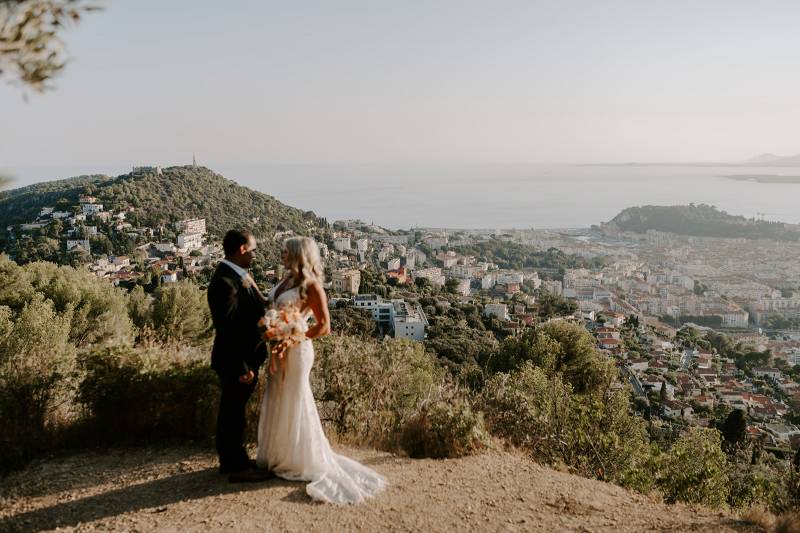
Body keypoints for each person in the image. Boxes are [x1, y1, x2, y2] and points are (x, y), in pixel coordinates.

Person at [256, 237, 387, 504]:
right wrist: (272, 329)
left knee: (296, 399)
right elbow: (270, 305)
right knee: (277, 396)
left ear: (298, 255)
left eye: (285, 252)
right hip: (279, 350)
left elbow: (324, 326)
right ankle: (278, 455)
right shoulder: (284, 281)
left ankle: (299, 459)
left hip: (297, 351)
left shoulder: (312, 286)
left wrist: (293, 335)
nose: (281, 255)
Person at [207, 229, 271, 482]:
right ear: (242, 249)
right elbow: (228, 328)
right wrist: (242, 366)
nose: (255, 255)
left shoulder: (238, 276)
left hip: (243, 359)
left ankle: (231, 461)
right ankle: (237, 467)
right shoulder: (225, 282)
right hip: (236, 362)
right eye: (253, 250)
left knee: (233, 411)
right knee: (233, 414)